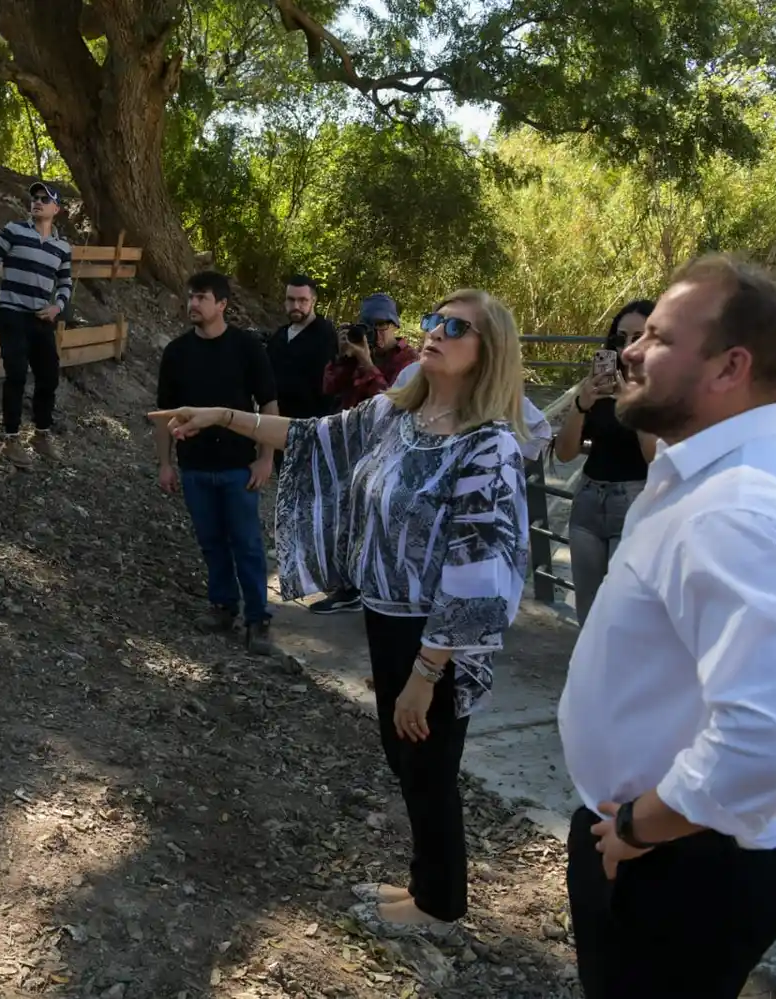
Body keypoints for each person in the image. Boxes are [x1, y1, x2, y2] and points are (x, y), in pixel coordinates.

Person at [152, 289, 530, 934]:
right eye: (434, 319)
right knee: (405, 758)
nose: (435, 331)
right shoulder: (396, 415)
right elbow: (308, 436)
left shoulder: (488, 446)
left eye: (456, 327)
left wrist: (427, 672)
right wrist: (222, 416)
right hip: (385, 617)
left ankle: (440, 905)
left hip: (436, 635)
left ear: (488, 350)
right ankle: (425, 884)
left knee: (429, 765)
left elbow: (478, 570)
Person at [558, 254, 776, 999]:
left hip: (680, 865)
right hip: (677, 849)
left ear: (729, 367)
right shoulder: (715, 476)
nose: (629, 351)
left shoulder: (742, 508)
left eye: (657, 337)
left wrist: (639, 827)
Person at [154, 271, 279, 656]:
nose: (193, 304)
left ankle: (257, 618)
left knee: (247, 544)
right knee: (211, 542)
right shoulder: (177, 352)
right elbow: (164, 414)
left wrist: (266, 458)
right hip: (195, 466)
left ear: (222, 304)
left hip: (238, 466)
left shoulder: (247, 348)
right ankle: (223, 605)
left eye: (202, 298)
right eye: (191, 297)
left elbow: (269, 404)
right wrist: (165, 463)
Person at [307, 292, 420, 615]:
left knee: (381, 521)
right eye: (371, 326)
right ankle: (349, 587)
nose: (378, 333)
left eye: (384, 326)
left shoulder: (409, 361)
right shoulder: (355, 352)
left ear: (396, 326)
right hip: (352, 447)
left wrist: (368, 364)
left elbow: (393, 404)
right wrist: (345, 356)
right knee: (345, 517)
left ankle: (380, 585)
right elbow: (329, 387)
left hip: (390, 451)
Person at [553, 300, 658, 622]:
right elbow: (565, 453)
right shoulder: (601, 385)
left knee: (623, 611)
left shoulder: (665, 389)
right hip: (588, 500)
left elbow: (656, 458)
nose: (627, 347)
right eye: (620, 338)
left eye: (638, 337)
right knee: (588, 610)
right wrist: (581, 405)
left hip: (635, 501)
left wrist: (631, 406)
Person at [0, 182, 74, 469]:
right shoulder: (13, 231)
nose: (37, 202)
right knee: (16, 373)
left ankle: (41, 435)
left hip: (41, 318)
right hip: (11, 313)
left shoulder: (62, 247)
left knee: (49, 376)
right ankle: (11, 439)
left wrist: (57, 307)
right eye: (34, 198)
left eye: (44, 199)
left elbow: (65, 283)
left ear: (56, 209)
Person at [394, 360, 552, 461]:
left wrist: (504, 469)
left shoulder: (490, 383)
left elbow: (540, 430)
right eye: (432, 322)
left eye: (455, 328)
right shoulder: (411, 374)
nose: (437, 333)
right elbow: (387, 424)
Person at [265, 275, 339, 473]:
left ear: (313, 301)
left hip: (310, 431)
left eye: (302, 300)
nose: (296, 306)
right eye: (291, 300)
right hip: (279, 427)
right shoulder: (280, 335)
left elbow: (328, 387)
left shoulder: (325, 335)